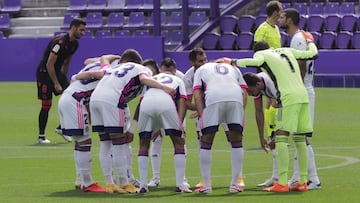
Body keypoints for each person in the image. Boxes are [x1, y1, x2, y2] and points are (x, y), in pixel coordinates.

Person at [217, 39, 318, 192]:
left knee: (281, 137)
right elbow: (312, 54)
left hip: (287, 97)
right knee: (300, 139)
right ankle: (302, 181)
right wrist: (310, 41)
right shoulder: (287, 51)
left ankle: (282, 183)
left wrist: (232, 61)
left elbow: (254, 61)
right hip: (303, 96)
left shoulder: (262, 54)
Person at [88, 49, 175, 193]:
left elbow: (100, 65)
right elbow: (144, 80)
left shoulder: (115, 68)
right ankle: (123, 182)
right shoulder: (141, 68)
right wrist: (164, 87)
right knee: (119, 142)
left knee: (105, 142)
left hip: (95, 99)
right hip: (113, 100)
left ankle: (109, 183)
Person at [184, 48, 246, 189]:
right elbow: (243, 91)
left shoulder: (200, 71)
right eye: (200, 61)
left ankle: (206, 185)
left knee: (206, 141)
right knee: (237, 140)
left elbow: (198, 95)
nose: (203, 62)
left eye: (204, 59)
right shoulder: (231, 67)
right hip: (234, 99)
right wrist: (241, 113)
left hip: (212, 101)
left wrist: (202, 114)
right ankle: (235, 183)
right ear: (192, 62)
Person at [58, 54, 120, 193]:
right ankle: (87, 183)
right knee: (84, 142)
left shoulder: (96, 63)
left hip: (68, 98)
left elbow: (87, 60)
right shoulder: (110, 73)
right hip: (76, 101)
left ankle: (80, 178)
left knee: (80, 141)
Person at [279, 8, 321, 190]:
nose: (279, 19)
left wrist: (297, 85)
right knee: (298, 136)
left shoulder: (297, 39)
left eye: (282, 17)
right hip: (306, 89)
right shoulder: (303, 37)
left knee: (302, 136)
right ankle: (298, 177)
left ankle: (313, 179)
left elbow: (301, 64)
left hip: (302, 90)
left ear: (290, 20)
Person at [136, 57, 191, 193]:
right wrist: (180, 126)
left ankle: (143, 185)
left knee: (144, 144)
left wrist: (155, 125)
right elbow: (182, 102)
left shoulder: (152, 79)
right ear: (173, 70)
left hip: (146, 104)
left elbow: (140, 102)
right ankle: (180, 184)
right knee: (178, 142)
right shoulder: (178, 79)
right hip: (166, 103)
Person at [36, 18, 86, 144]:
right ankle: (41, 136)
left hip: (57, 72)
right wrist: (56, 83)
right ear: (73, 28)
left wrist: (64, 79)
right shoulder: (59, 42)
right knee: (46, 104)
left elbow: (67, 61)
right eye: (81, 30)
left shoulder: (74, 44)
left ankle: (62, 128)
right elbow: (49, 63)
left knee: (73, 97)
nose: (83, 33)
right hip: (44, 73)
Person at [253, 0, 283, 186]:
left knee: (275, 111)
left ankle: (279, 174)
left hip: (277, 73)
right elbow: (257, 54)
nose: (282, 14)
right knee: (270, 108)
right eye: (281, 11)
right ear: (274, 12)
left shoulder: (277, 30)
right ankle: (276, 174)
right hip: (266, 74)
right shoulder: (262, 29)